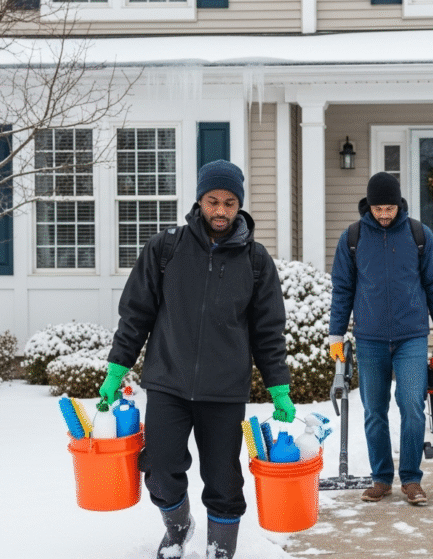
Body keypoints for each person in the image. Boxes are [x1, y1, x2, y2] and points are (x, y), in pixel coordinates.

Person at [100, 160, 296, 559]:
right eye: (213, 201)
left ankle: (220, 550)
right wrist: (117, 366)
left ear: (239, 205)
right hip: (168, 382)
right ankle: (178, 529)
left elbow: (268, 332)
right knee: (160, 470)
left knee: (223, 480)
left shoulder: (256, 262)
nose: (220, 211)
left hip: (224, 391)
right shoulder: (165, 249)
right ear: (199, 201)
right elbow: (135, 314)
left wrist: (279, 387)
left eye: (229, 202)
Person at [328, 171, 433, 506]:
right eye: (377, 208)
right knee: (374, 410)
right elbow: (342, 289)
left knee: (412, 406)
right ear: (368, 205)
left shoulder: (418, 235)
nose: (383, 214)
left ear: (400, 204)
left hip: (411, 336)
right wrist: (335, 335)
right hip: (369, 338)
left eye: (389, 208)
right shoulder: (353, 238)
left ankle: (411, 479)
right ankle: (382, 478)